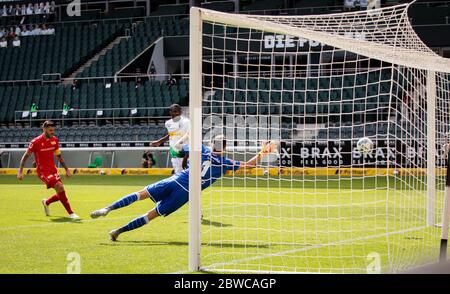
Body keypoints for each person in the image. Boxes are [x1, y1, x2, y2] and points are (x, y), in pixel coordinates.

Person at [90, 135, 275, 241]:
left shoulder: (201, 149)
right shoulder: (225, 163)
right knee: (151, 214)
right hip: (185, 194)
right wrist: (262, 151)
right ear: (225, 148)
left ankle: (107, 208)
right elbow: (249, 166)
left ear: (212, 144)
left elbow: (176, 148)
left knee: (140, 194)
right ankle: (118, 232)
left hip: (176, 179)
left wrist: (186, 138)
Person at [17, 121, 80, 220]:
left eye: (53, 130)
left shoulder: (54, 140)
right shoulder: (35, 142)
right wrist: (20, 172)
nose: (52, 132)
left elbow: (59, 156)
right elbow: (25, 157)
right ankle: (71, 213)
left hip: (53, 170)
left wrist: (66, 169)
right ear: (44, 129)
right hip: (43, 171)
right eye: (50, 130)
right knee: (60, 187)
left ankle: (46, 202)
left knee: (61, 191)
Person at [150, 104, 189, 174]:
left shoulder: (186, 122)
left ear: (181, 112)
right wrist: (159, 142)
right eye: (174, 111)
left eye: (178, 111)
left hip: (184, 151)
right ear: (170, 112)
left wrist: (187, 155)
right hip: (174, 151)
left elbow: (190, 135)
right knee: (178, 172)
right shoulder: (168, 123)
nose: (176, 113)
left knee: (185, 173)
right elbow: (171, 135)